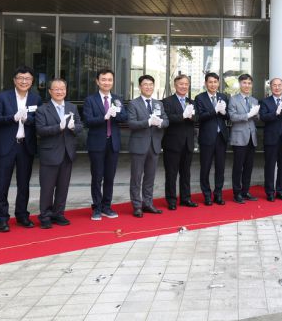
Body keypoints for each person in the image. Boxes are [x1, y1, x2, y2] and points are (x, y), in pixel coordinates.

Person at [0, 66, 42, 231]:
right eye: (20, 78)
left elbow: (39, 121)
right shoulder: (2, 97)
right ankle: (2, 218)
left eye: (27, 79)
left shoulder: (35, 98)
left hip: (25, 147)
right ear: (14, 80)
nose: (24, 81)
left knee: (24, 184)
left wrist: (28, 120)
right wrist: (12, 118)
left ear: (32, 81)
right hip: (6, 146)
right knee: (2, 184)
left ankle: (22, 215)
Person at [35, 78, 80, 229]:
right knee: (47, 187)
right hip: (50, 154)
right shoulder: (42, 109)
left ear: (66, 91)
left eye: (62, 89)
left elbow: (80, 126)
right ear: (50, 92)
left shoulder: (72, 107)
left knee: (63, 186)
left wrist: (74, 127)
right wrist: (58, 127)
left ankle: (59, 213)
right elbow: (40, 130)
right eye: (56, 89)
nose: (60, 91)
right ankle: (45, 215)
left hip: (67, 152)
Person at [83, 69, 128, 221]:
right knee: (97, 177)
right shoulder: (90, 100)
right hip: (97, 143)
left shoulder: (117, 99)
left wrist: (116, 115)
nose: (106, 82)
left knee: (110, 177)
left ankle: (106, 206)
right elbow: (87, 121)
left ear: (112, 82)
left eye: (109, 80)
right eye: (103, 79)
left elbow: (125, 117)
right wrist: (104, 117)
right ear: (97, 81)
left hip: (113, 143)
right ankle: (96, 207)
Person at [127, 75, 168, 217]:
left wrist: (160, 123)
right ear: (140, 87)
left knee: (150, 177)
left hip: (155, 145)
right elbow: (131, 123)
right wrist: (148, 122)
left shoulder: (159, 104)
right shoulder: (133, 104)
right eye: (145, 84)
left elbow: (166, 121)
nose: (148, 87)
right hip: (139, 145)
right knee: (136, 177)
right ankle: (137, 206)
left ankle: (148, 203)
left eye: (151, 84)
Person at [161, 75, 197, 209]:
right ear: (175, 85)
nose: (184, 86)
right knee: (171, 173)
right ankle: (171, 200)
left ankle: (185, 198)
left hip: (188, 143)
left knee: (186, 173)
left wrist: (192, 116)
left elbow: (197, 117)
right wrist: (182, 116)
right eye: (181, 84)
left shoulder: (191, 101)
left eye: (186, 84)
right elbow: (167, 118)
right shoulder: (167, 101)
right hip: (172, 143)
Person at [195, 72, 230, 206]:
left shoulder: (223, 97)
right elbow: (199, 117)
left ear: (218, 83)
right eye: (210, 82)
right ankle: (207, 195)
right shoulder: (200, 98)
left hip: (221, 137)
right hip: (207, 138)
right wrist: (214, 111)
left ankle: (218, 194)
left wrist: (224, 113)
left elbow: (228, 117)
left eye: (215, 82)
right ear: (206, 83)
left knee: (220, 168)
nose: (213, 84)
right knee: (205, 168)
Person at [228, 74, 260, 204]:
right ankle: (237, 193)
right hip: (239, 137)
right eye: (244, 83)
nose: (247, 85)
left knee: (248, 166)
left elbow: (257, 118)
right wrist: (248, 115)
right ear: (240, 84)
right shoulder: (233, 99)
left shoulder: (254, 100)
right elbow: (232, 117)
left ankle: (245, 191)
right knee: (238, 167)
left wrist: (256, 115)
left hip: (252, 137)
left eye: (249, 83)